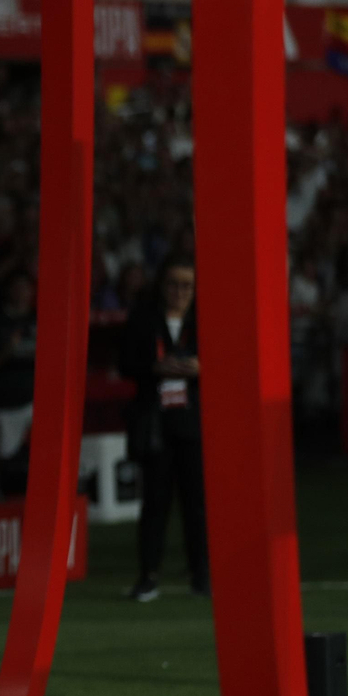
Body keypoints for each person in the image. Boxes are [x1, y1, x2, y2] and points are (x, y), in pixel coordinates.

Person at [120, 256, 209, 602]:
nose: (179, 292)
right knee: (154, 503)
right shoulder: (144, 317)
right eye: (173, 284)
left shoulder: (203, 319)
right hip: (155, 422)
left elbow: (232, 360)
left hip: (192, 421)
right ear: (161, 285)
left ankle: (201, 576)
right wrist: (154, 368)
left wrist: (201, 368)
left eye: (187, 285)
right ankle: (148, 576)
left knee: (196, 504)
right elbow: (124, 362)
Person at [0, 273, 38, 493]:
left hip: (37, 401)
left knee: (41, 457)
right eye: (17, 287)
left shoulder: (38, 319)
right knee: (6, 461)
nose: (22, 293)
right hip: (7, 401)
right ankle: (5, 506)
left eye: (26, 287)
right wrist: (8, 350)